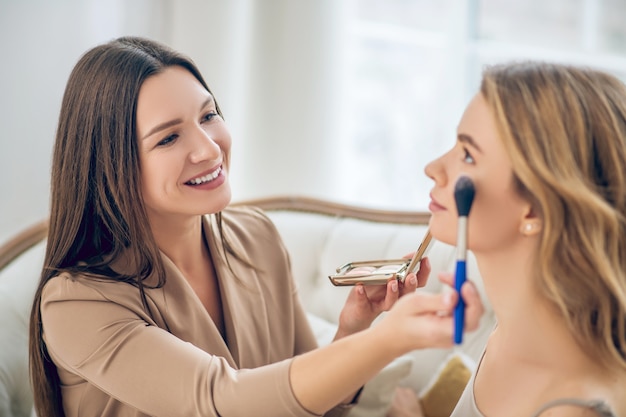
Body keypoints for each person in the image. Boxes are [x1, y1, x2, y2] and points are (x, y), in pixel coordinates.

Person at [28, 36, 484, 417]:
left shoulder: (255, 237)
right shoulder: (79, 300)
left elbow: (314, 400)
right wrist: (389, 340)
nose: (209, 149)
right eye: (169, 137)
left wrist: (355, 329)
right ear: (110, 165)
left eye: (208, 115)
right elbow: (221, 400)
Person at [388, 62, 626, 416]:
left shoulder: (571, 409)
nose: (433, 168)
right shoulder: (510, 331)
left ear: (534, 208)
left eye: (467, 155)